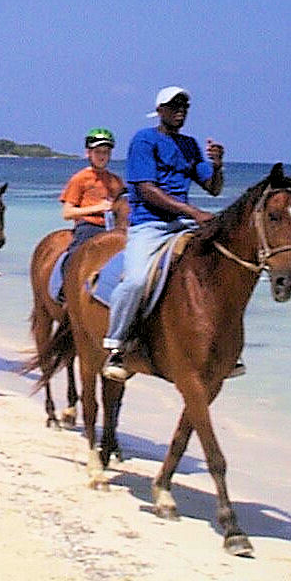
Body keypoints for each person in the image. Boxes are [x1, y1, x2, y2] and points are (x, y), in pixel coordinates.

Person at [102, 86, 236, 382]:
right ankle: (118, 344)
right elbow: (146, 189)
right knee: (136, 281)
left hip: (182, 224)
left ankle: (225, 347)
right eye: (174, 106)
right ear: (159, 110)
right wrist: (192, 212)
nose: (180, 111)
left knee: (224, 267)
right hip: (149, 225)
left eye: (184, 106)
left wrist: (217, 165)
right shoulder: (144, 140)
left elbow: (213, 188)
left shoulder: (189, 145)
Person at [58, 128, 125, 289]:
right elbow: (67, 213)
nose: (102, 156)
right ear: (89, 153)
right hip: (89, 226)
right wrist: (98, 208)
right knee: (75, 257)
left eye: (106, 152)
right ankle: (66, 289)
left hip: (113, 228)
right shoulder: (80, 179)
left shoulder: (116, 181)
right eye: (98, 152)